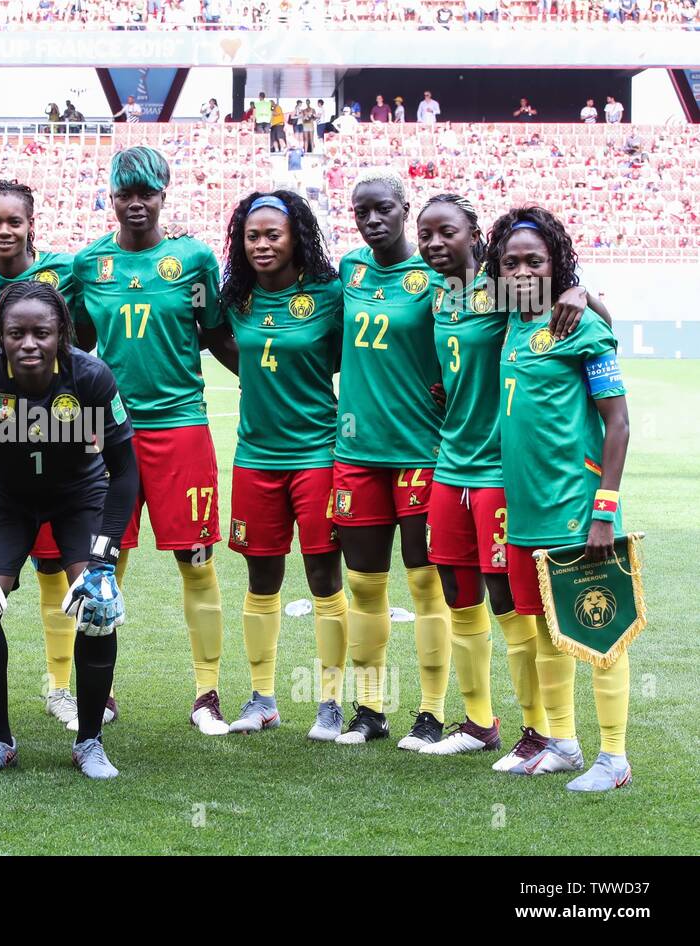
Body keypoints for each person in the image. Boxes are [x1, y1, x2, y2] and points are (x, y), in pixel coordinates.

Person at [415, 194, 607, 762]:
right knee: (458, 593)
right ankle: (479, 722)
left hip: (502, 470)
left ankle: (540, 729)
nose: (433, 244)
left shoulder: (501, 292)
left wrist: (579, 289)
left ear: (475, 236)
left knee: (513, 601)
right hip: (450, 465)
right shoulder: (434, 294)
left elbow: (563, 300)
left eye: (446, 232)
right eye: (425, 234)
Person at [0, 281, 139, 780]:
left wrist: (105, 558)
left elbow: (125, 469)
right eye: (16, 333)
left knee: (96, 605)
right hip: (6, 498)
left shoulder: (90, 376)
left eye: (41, 333)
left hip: (79, 495)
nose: (29, 343)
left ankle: (89, 741)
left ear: (61, 335)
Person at [73, 147, 234, 735]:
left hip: (181, 429)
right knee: (107, 562)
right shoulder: (88, 264)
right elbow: (73, 341)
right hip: (107, 434)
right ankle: (102, 689)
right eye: (125, 194)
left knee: (196, 561)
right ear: (110, 198)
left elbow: (216, 335)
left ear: (165, 194)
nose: (136, 204)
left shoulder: (192, 260)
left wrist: (274, 381)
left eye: (147, 193)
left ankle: (207, 692)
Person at [488, 207, 633, 792]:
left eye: (536, 262)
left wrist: (604, 511)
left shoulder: (580, 328)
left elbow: (618, 423)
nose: (522, 272)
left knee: (599, 631)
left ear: (556, 264)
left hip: (578, 510)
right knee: (547, 633)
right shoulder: (510, 323)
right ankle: (564, 743)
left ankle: (615, 758)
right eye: (511, 263)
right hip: (524, 512)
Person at [0, 181, 90, 730]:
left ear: (31, 223)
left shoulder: (65, 272)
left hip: (50, 439)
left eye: (14, 222)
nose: (4, 231)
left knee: (55, 567)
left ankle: (59, 688)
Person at [218, 191, 350, 739]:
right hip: (255, 457)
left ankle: (331, 702)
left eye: (273, 234)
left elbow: (348, 356)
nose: (263, 244)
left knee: (324, 574)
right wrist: (252, 373)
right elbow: (221, 343)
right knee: (261, 576)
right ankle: (262, 698)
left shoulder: (328, 294)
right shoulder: (236, 299)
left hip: (317, 454)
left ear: (297, 235)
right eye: (253, 236)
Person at [330, 169, 451, 749]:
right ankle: (370, 708)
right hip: (355, 452)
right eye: (361, 212)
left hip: (419, 453)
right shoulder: (349, 269)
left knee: (426, 583)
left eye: (383, 209)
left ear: (405, 209)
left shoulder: (435, 275)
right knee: (365, 584)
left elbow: (474, 338)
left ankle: (431, 712)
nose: (372, 220)